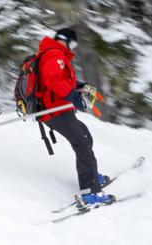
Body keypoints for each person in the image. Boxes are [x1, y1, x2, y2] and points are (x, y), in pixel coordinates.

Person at [36, 27, 114, 208]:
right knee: (83, 143)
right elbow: (52, 80)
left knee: (85, 136)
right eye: (74, 43)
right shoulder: (54, 53)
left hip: (58, 108)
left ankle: (91, 175)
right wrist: (74, 97)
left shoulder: (55, 54)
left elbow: (61, 79)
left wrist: (80, 86)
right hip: (54, 110)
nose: (74, 47)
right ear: (67, 40)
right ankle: (90, 193)